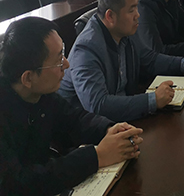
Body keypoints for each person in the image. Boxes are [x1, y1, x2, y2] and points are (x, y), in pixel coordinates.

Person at [0, 17, 143, 196]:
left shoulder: (41, 94)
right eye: (59, 59)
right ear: (28, 78)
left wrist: (110, 130)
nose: (67, 64)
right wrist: (96, 156)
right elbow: (16, 185)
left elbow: (75, 120)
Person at [59, 0, 184, 121]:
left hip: (122, 118)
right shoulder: (86, 49)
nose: (138, 15)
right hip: (88, 128)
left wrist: (183, 64)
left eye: (137, 7)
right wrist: (152, 100)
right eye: (131, 10)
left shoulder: (124, 31)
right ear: (110, 16)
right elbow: (98, 105)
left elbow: (148, 59)